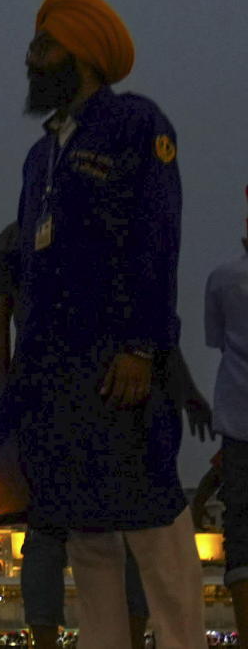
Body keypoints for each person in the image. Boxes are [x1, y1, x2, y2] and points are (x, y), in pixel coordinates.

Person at [0, 0, 205, 649]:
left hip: (119, 369)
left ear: (83, 54)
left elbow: (156, 239)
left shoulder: (136, 125)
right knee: (88, 538)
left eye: (43, 46)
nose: (29, 58)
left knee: (156, 529)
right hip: (56, 378)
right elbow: (31, 265)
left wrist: (140, 348)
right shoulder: (42, 156)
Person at [0, 223, 212, 648]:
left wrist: (8, 395)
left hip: (52, 397)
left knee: (49, 533)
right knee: (125, 528)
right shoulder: (109, 225)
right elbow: (152, 315)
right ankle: (128, 635)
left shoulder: (20, 234)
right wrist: (183, 388)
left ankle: (49, 639)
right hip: (112, 392)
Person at [205, 197, 248, 637]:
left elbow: (215, 338)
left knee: (240, 528)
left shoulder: (223, 279)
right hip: (236, 417)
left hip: (238, 418)